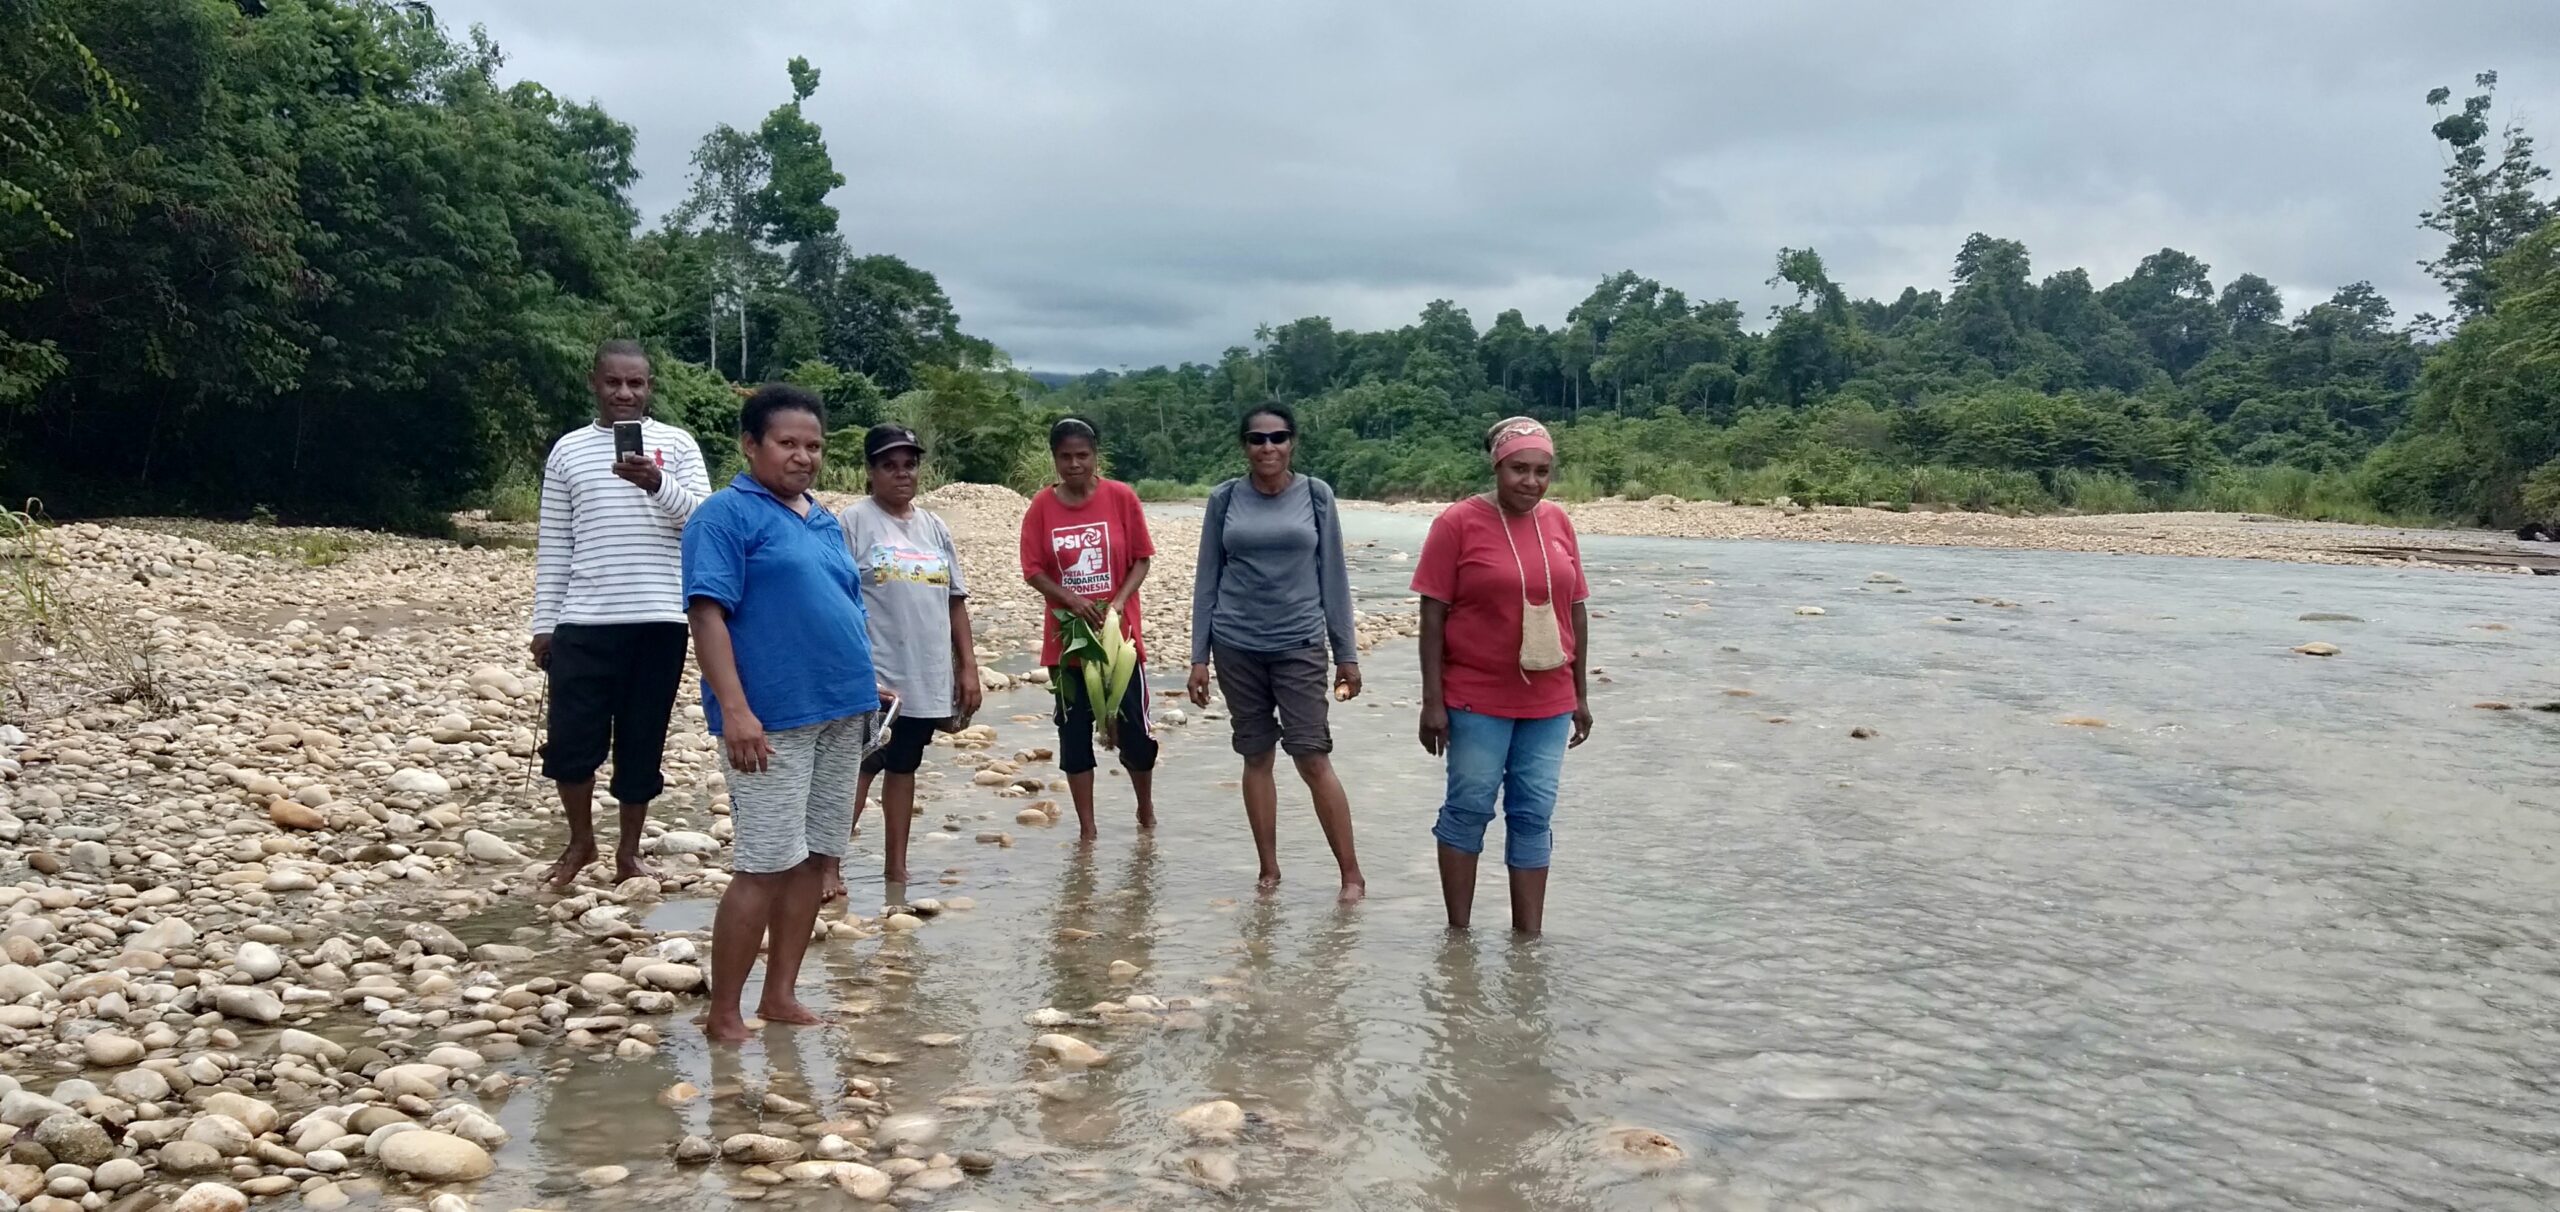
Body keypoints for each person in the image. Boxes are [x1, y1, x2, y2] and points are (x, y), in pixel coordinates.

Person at [681, 384, 881, 1042]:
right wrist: (735, 711)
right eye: (788, 444)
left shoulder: (821, 517)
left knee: (814, 858)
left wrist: (867, 681)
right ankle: (723, 1014)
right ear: (750, 445)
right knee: (764, 863)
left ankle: (782, 995)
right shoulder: (724, 516)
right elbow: (707, 615)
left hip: (841, 708)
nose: (803, 457)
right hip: (771, 717)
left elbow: (840, 603)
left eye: (814, 446)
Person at [529, 339, 711, 890]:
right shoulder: (568, 451)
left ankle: (628, 853)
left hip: (658, 619)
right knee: (569, 741)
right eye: (614, 382)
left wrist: (657, 482)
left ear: (649, 387)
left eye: (636, 383)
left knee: (642, 740)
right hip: (584, 618)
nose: (625, 393)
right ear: (595, 383)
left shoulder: (675, 445)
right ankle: (581, 841)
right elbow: (556, 543)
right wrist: (544, 624)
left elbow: (705, 521)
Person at [1412, 416, 1594, 936]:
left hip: (1549, 701)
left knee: (1534, 814)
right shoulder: (1457, 523)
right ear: (1497, 466)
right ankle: (1459, 938)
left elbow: (1575, 609)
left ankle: (1527, 943)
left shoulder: (1558, 522)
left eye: (1542, 471)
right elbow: (1432, 616)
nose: (1531, 482)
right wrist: (1432, 702)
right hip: (1475, 698)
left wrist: (1579, 695)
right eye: (1519, 469)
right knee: (1469, 809)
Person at [1186, 403, 1368, 903]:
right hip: (1236, 644)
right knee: (1255, 754)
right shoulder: (1224, 500)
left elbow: (1334, 576)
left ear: (1293, 443)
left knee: (1312, 756)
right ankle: (1269, 869)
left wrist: (1346, 652)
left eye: (1278, 437)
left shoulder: (1315, 496)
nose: (1268, 447)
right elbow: (1208, 579)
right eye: (1257, 439)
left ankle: (1351, 874)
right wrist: (1199, 656)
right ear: (1244, 445)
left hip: (1300, 644)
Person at [830, 424, 982, 904]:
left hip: (925, 669)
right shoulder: (852, 522)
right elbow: (837, 597)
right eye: (889, 465)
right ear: (870, 472)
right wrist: (856, 669)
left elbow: (955, 600)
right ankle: (828, 868)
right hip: (874, 671)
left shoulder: (934, 526)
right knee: (863, 765)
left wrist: (968, 667)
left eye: (909, 464)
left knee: (905, 764)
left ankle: (896, 867)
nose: (901, 474)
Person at [1018, 417, 1158, 839]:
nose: (1075, 464)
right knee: (1074, 739)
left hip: (1120, 640)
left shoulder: (1121, 498)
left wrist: (1116, 604)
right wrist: (1073, 601)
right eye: (1066, 457)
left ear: (1096, 456)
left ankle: (1145, 811)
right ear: (1055, 459)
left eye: (1083, 455)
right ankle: (1088, 831)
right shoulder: (1042, 506)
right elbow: (1033, 570)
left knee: (1134, 732)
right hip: (1068, 644)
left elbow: (1142, 558)